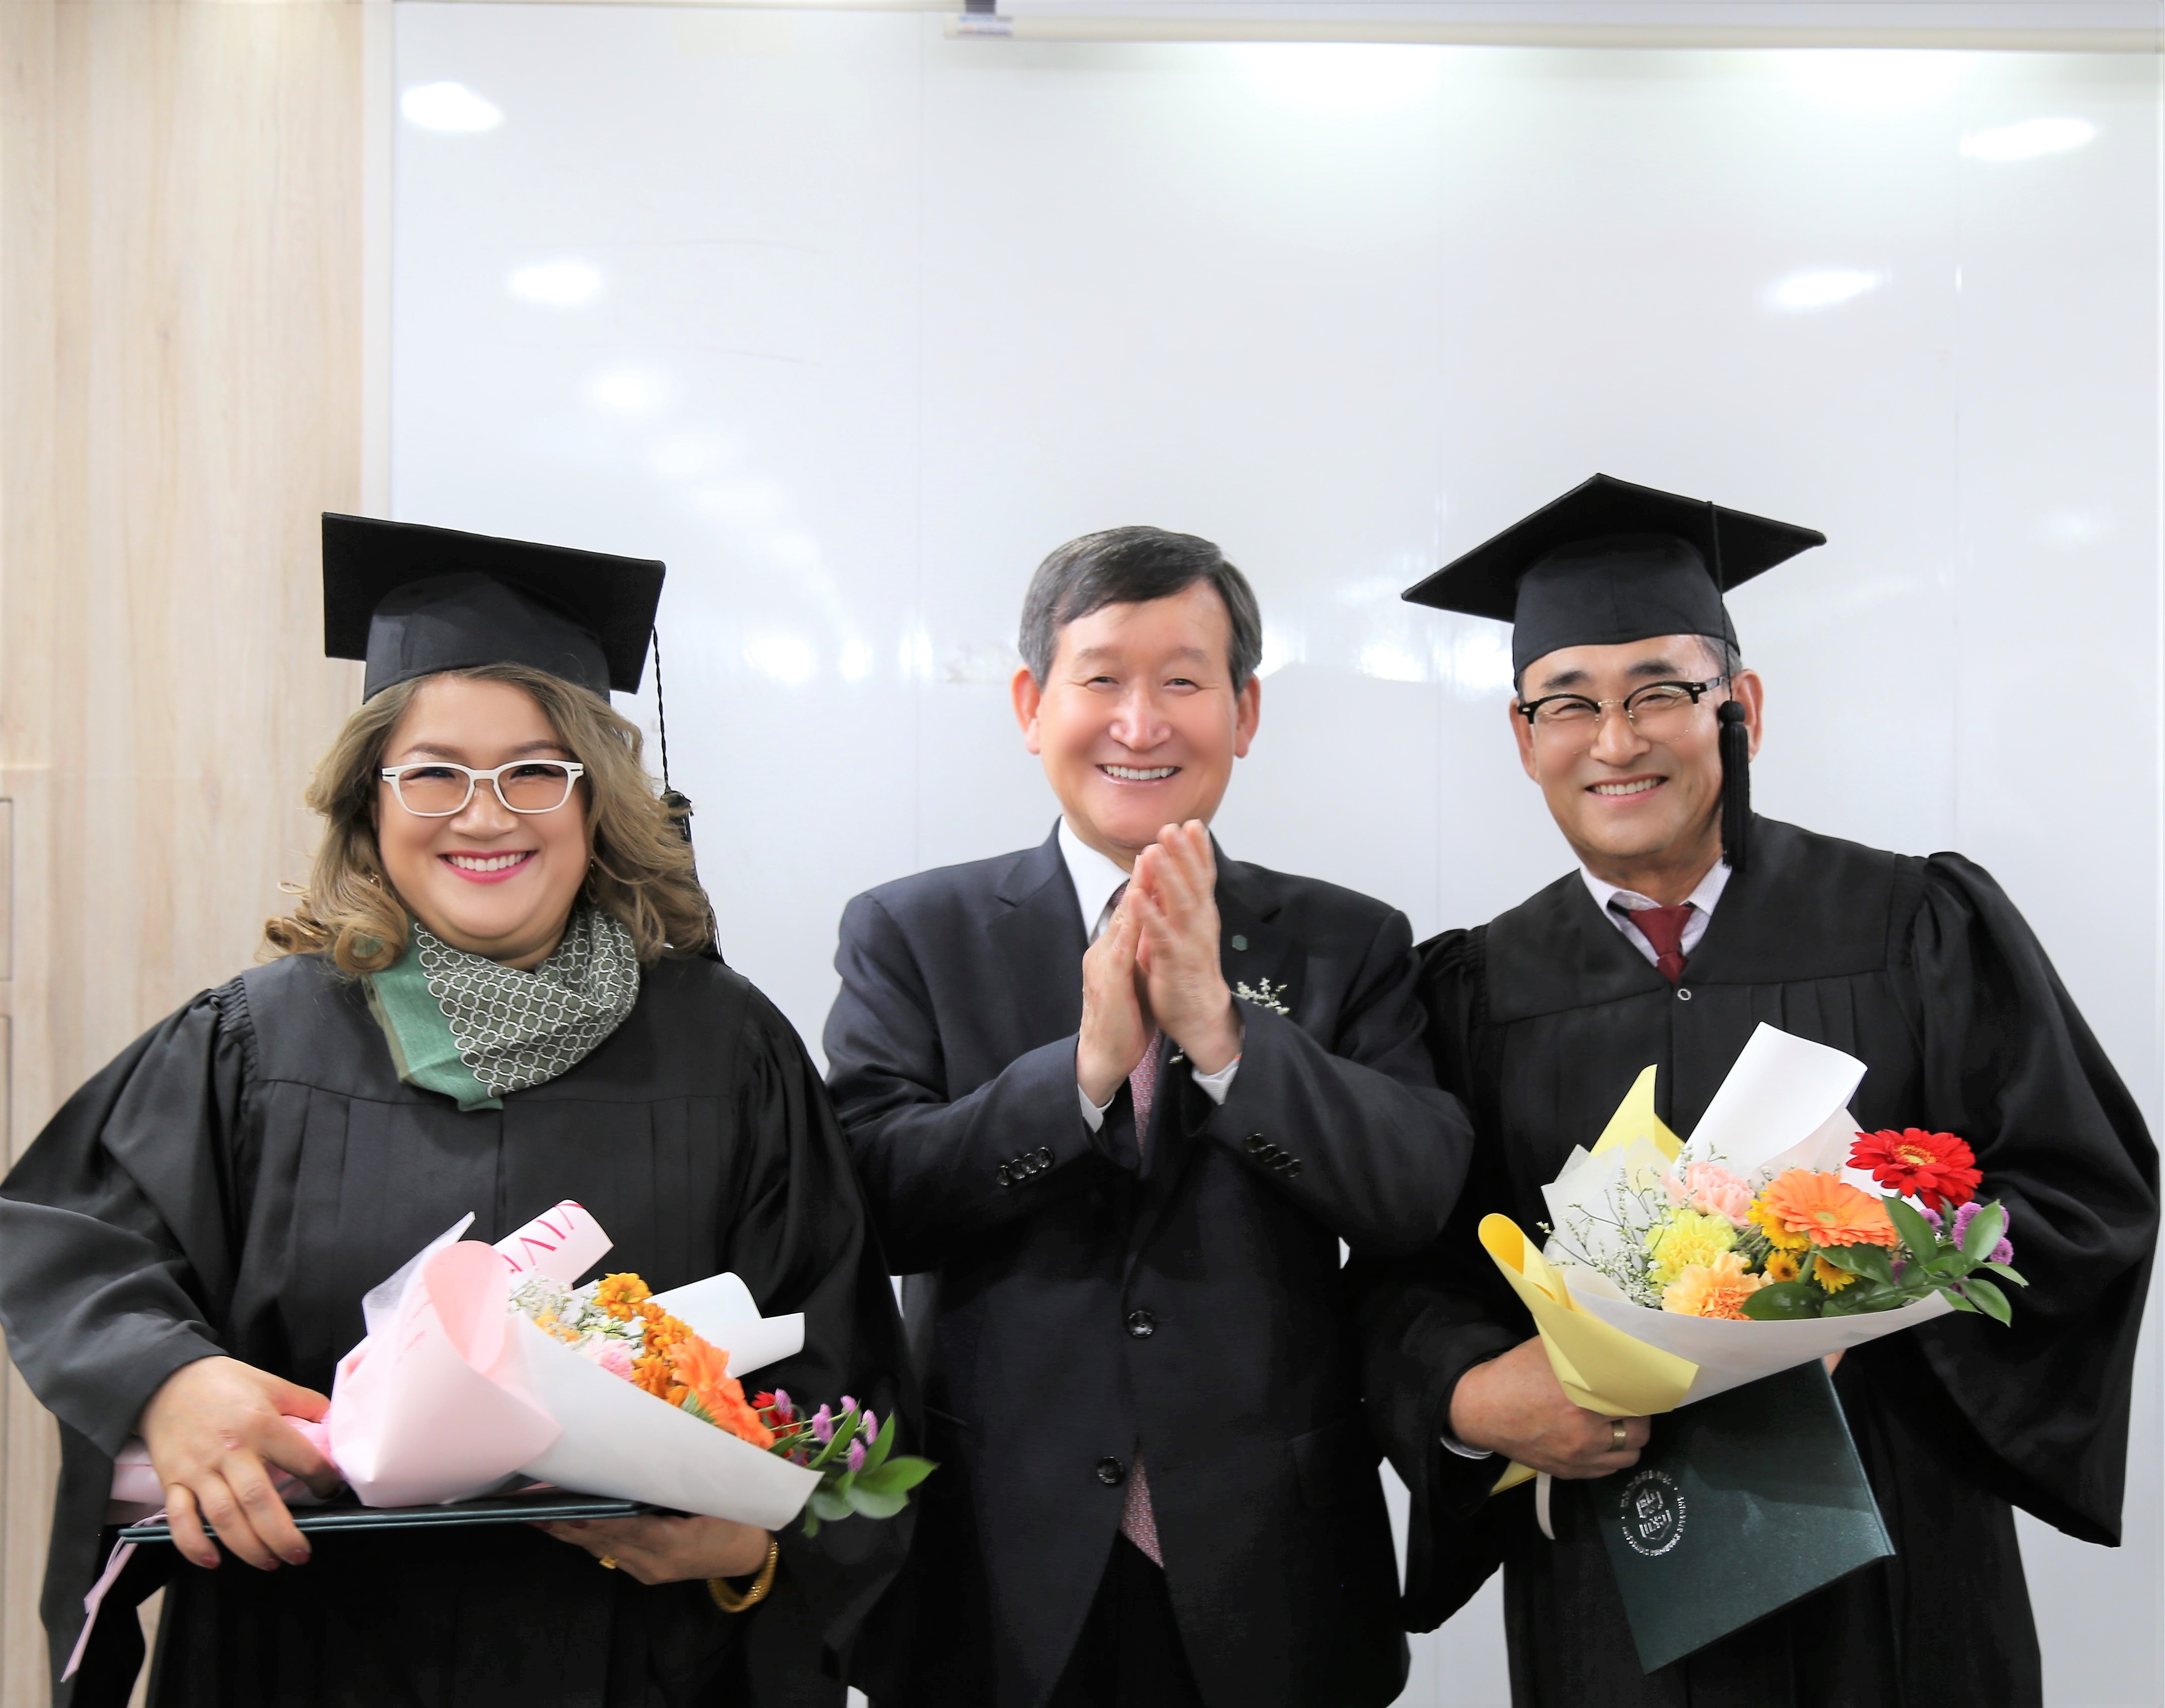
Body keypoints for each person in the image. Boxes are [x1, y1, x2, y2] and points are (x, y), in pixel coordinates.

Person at [0, 515, 911, 1708]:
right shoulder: (256, 1042)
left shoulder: (726, 1047)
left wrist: (752, 1552)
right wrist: (167, 1382)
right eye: (434, 772)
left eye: (534, 769)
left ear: (597, 800)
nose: (484, 816)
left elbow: (837, 1368)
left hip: (635, 1657)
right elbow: (66, 1237)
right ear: (369, 799)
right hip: (304, 1646)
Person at [1359, 473, 2159, 1706]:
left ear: (1742, 707)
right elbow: (1404, 1275)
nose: (1615, 739)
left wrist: (1871, 1284)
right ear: (1522, 740)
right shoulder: (1467, 992)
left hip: (1894, 1571)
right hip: (1610, 1589)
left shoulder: (1915, 926)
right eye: (1567, 702)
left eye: (1660, 692)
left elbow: (2082, 1196)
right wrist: (1471, 1393)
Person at [824, 526, 1473, 1708]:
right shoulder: (912, 933)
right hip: (993, 1557)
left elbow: (1411, 1190)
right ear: (1030, 703)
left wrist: (1225, 1042)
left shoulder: (1349, 941)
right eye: (1101, 678)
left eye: (1182, 681)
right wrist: (1077, 1077)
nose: (1140, 722)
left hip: (1269, 1565)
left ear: (1243, 709)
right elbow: (867, 1202)